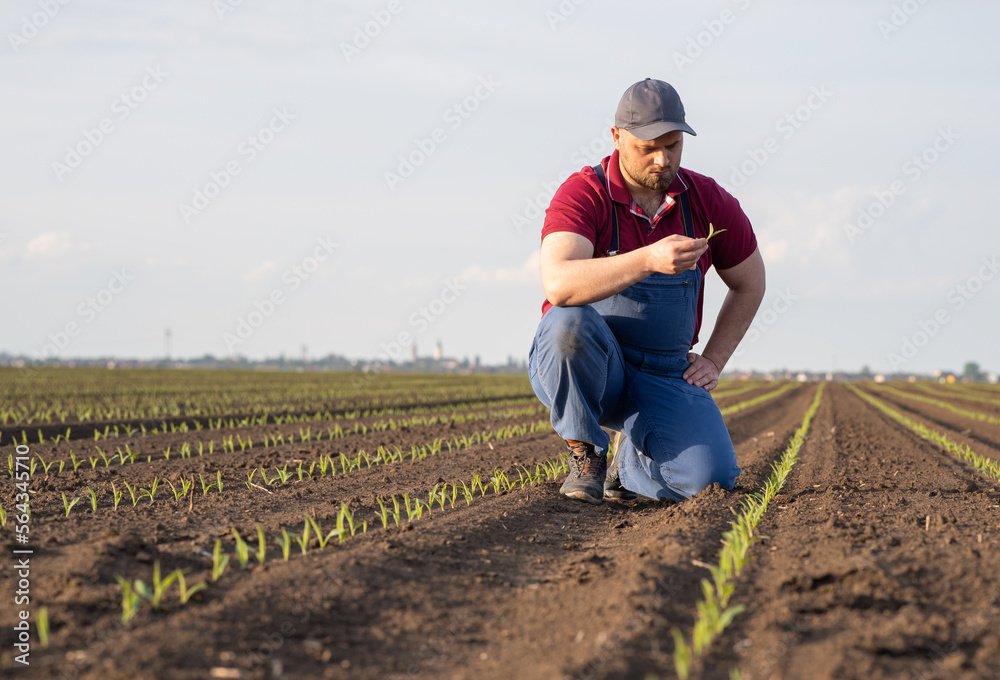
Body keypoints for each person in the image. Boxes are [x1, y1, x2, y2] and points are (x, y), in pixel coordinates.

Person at [528, 78, 766, 504]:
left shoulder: (706, 200)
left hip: (664, 372)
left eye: (673, 145)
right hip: (597, 369)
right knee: (566, 323)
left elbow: (750, 282)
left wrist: (714, 359)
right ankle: (586, 454)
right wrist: (647, 260)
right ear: (617, 137)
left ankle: (630, 465)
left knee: (710, 482)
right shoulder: (586, 193)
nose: (662, 158)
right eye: (648, 147)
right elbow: (559, 283)